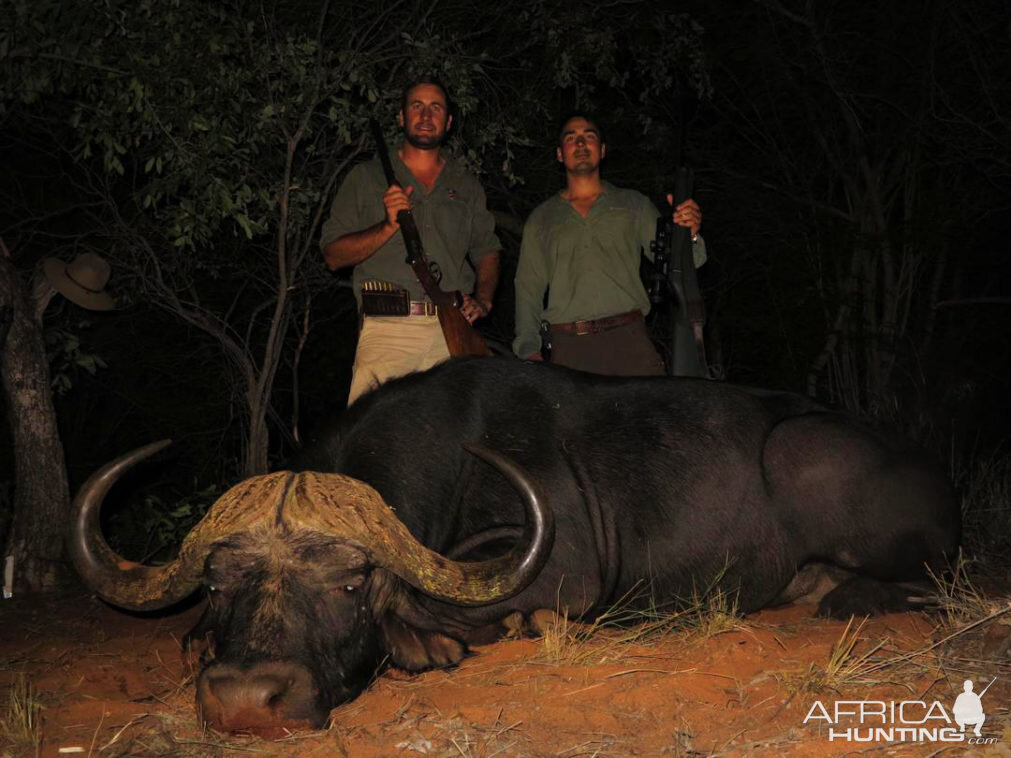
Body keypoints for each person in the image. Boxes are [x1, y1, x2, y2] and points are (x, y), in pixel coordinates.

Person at [321, 76, 501, 405]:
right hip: (388, 330)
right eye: (416, 106)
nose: (425, 114)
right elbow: (333, 255)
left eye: (436, 107)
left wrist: (484, 300)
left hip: (453, 333)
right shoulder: (366, 178)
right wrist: (387, 226)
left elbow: (487, 249)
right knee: (376, 447)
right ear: (402, 117)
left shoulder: (466, 184)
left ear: (448, 122)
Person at [512, 112, 706, 376]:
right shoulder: (541, 219)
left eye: (588, 137)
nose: (580, 144)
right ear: (560, 154)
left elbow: (684, 264)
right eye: (571, 138)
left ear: (602, 150)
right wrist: (528, 351)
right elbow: (527, 289)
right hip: (568, 349)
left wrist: (689, 233)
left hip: (629, 343)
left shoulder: (633, 205)